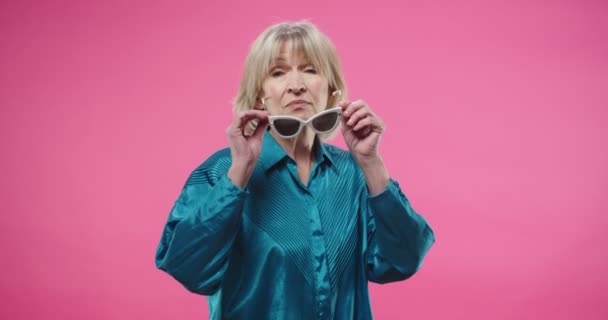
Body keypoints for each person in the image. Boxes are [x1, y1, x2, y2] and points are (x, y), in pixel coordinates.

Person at [155, 21, 435, 320]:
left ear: (331, 89)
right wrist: (239, 174)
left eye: (311, 69)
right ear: (260, 93)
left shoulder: (354, 175)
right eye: (278, 72)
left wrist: (371, 163)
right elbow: (189, 269)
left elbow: (402, 262)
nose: (296, 84)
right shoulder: (222, 170)